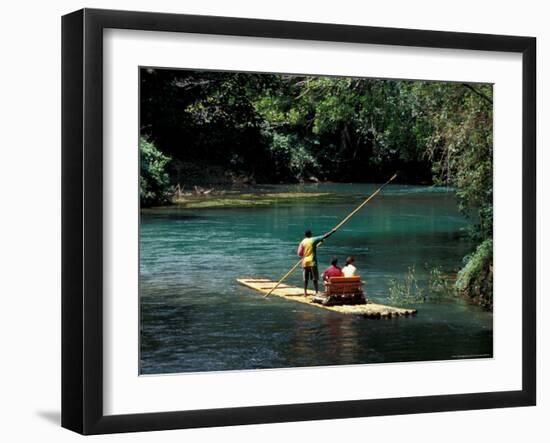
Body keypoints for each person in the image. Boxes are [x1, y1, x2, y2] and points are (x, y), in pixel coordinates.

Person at [297, 229, 336, 296]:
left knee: (305, 279)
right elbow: (325, 236)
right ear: (310, 234)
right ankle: (316, 292)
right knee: (315, 278)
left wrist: (306, 253)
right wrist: (332, 231)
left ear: (305, 235)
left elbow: (299, 253)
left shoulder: (302, 242)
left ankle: (305, 292)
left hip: (305, 262)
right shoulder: (313, 239)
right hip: (312, 261)